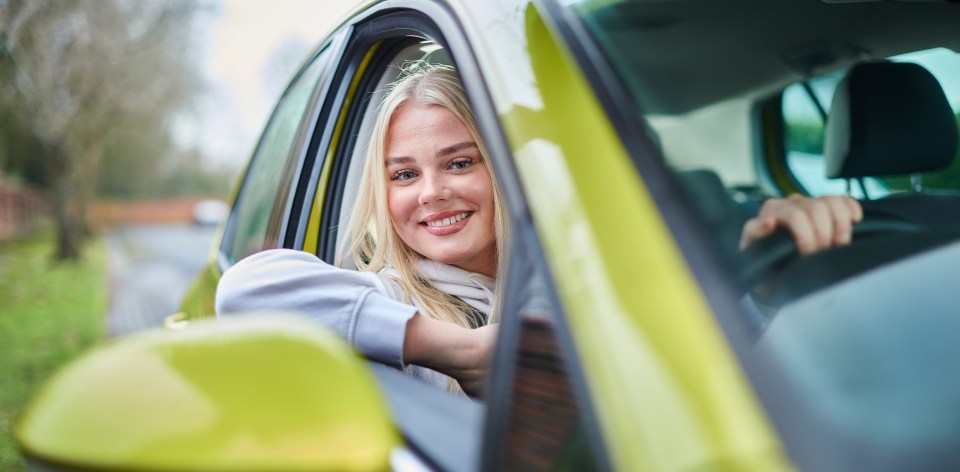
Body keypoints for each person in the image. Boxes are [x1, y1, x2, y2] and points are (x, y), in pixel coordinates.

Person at [215, 63, 862, 397]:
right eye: (403, 174)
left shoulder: (597, 275)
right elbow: (244, 288)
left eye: (460, 162)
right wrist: (456, 348)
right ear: (382, 197)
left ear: (508, 171)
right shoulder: (389, 301)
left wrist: (756, 276)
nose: (432, 191)